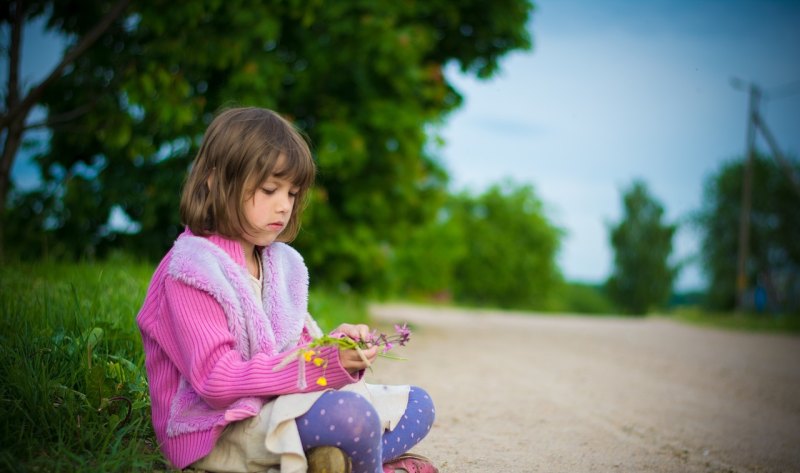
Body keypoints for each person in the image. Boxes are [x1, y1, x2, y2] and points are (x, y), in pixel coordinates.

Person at [136, 107, 438, 473]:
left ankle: (329, 460)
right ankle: (362, 462)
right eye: (269, 189)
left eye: (292, 193)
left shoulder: (280, 263)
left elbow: (295, 350)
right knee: (351, 416)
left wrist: (337, 347)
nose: (284, 205)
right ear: (216, 182)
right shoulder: (191, 269)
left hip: (276, 408)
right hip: (217, 428)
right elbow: (215, 380)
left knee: (418, 405)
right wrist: (319, 366)